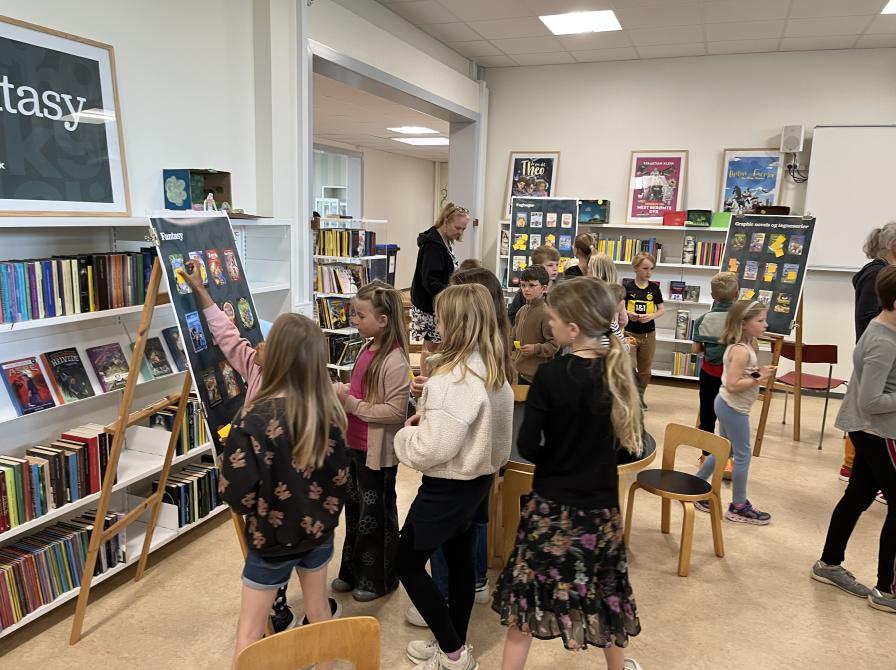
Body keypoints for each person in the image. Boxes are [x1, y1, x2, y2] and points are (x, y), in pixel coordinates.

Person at [493, 277, 644, 670]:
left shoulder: (552, 375)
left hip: (550, 507)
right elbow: (630, 446)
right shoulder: (620, 373)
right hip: (600, 509)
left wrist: (557, 457)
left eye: (555, 319)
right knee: (607, 594)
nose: (550, 323)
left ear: (572, 329)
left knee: (527, 600)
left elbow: (528, 445)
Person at [180, 260, 313, 632]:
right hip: (261, 494)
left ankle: (302, 614)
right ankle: (280, 606)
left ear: (283, 357)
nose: (257, 343)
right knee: (274, 556)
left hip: (291, 498)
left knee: (290, 554)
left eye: (266, 342)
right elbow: (227, 335)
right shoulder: (256, 367)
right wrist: (200, 289)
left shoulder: (301, 399)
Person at [220, 313, 350, 665]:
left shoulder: (251, 418)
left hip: (270, 539)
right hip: (318, 534)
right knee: (318, 610)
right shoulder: (329, 413)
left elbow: (236, 494)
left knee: (250, 631)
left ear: (275, 354)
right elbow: (341, 478)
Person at [396, 284, 513, 670]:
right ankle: (455, 643)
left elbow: (430, 449)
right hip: (477, 483)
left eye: (441, 318)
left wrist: (407, 436)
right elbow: (486, 434)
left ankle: (453, 653)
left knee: (406, 563)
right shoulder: (493, 372)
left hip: (447, 487)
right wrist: (431, 414)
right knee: (460, 561)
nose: (437, 325)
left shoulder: (453, 381)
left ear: (456, 324)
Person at [811, 265, 896, 613]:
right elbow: (871, 401)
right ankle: (887, 591)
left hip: (869, 430)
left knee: (858, 495)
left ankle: (829, 564)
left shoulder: (883, 326)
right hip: (878, 432)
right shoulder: (883, 342)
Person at [331, 281, 410, 602]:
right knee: (355, 513)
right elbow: (360, 392)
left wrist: (351, 403)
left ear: (383, 320)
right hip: (354, 447)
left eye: (360, 315)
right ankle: (352, 571)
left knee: (376, 518)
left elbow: (395, 411)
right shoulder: (366, 348)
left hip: (376, 454)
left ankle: (379, 579)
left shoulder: (395, 360)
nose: (354, 320)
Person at [693, 301, 775, 524]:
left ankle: (697, 486)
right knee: (743, 455)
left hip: (729, 405)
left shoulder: (745, 345)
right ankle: (739, 506)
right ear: (743, 323)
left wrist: (757, 372)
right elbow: (732, 385)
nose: (766, 325)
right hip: (733, 407)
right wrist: (759, 376)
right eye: (760, 320)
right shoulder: (740, 351)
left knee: (724, 449)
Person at [841, 222, 896, 494]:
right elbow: (866, 320)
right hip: (878, 358)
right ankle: (850, 464)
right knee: (866, 418)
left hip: (881, 358)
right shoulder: (876, 274)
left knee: (859, 492)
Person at [410, 202, 470, 373]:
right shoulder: (433, 245)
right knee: (432, 348)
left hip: (438, 302)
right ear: (445, 221)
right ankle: (426, 381)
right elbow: (430, 281)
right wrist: (453, 294)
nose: (460, 232)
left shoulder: (444, 241)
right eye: (458, 228)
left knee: (436, 346)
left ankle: (432, 377)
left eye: (463, 229)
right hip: (431, 305)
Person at [691, 272, 739, 470]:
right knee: (731, 416)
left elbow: (696, 349)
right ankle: (728, 459)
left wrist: (708, 348)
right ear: (737, 293)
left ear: (712, 295)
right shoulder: (741, 320)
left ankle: (706, 456)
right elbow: (751, 347)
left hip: (709, 374)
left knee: (707, 415)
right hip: (733, 377)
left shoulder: (703, 320)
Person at [623, 253, 665, 399]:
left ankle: (639, 397)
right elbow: (619, 309)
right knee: (629, 366)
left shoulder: (654, 288)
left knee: (645, 370)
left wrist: (651, 316)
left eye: (651, 269)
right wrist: (628, 313)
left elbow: (661, 310)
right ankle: (629, 396)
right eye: (645, 268)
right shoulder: (627, 287)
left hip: (648, 334)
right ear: (635, 268)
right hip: (629, 333)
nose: (649, 272)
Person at [512, 265, 558, 384]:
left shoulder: (546, 313)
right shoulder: (521, 311)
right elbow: (513, 337)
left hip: (536, 376)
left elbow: (554, 345)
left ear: (544, 288)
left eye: (531, 285)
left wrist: (536, 348)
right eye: (523, 285)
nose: (526, 289)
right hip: (517, 371)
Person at [508, 245, 561, 325]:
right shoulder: (525, 291)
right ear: (537, 267)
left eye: (557, 265)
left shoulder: (561, 289)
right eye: (550, 265)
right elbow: (512, 316)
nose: (555, 268)